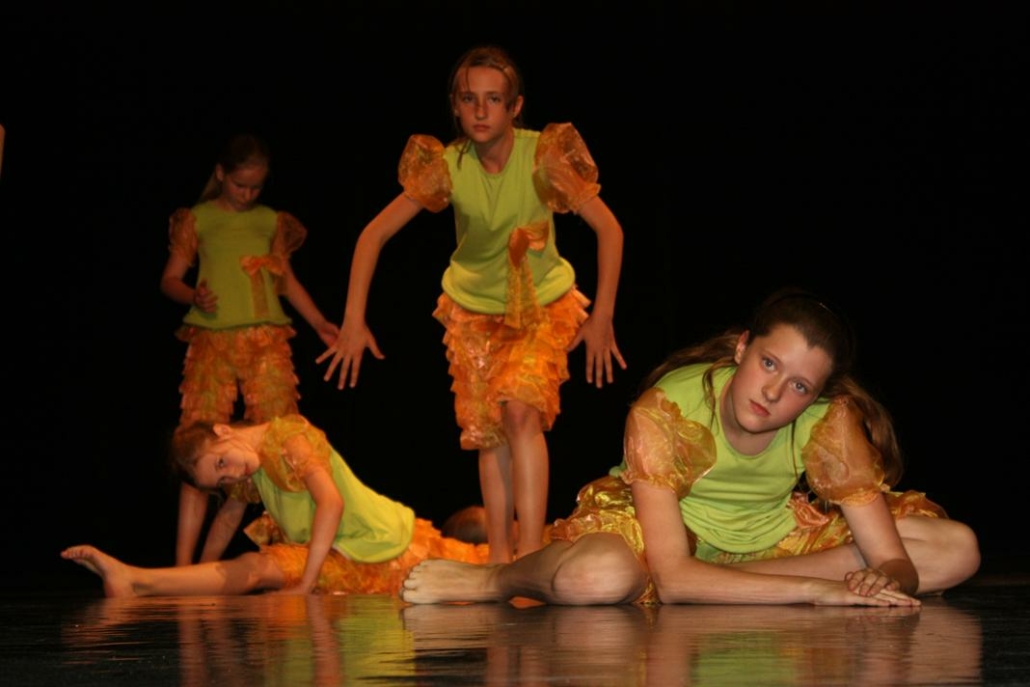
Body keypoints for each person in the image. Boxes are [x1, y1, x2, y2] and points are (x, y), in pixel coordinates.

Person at [400, 288, 982, 606]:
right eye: (769, 364)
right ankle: (494, 581)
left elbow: (894, 559)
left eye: (799, 386)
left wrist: (888, 578)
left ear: (817, 396)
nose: (773, 392)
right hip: (664, 546)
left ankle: (733, 585)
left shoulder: (829, 422)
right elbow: (674, 579)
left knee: (955, 549)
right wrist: (822, 591)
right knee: (597, 577)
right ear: (742, 348)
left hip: (770, 544)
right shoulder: (667, 409)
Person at [318, 45, 627, 564]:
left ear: (514, 107)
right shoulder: (447, 165)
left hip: (541, 304)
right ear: (456, 106)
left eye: (493, 99)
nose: (481, 111)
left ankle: (531, 552)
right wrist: (352, 321)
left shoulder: (542, 156)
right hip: (473, 311)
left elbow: (609, 229)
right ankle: (501, 557)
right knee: (490, 433)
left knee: (521, 412)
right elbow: (372, 235)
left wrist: (602, 317)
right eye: (469, 99)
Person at [61, 414, 490, 596]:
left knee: (483, 565)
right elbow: (226, 521)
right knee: (256, 566)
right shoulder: (250, 469)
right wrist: (192, 579)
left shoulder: (287, 438)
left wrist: (306, 582)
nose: (232, 475)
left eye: (222, 463)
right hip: (338, 553)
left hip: (383, 545)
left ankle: (137, 579)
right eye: (221, 479)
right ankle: (136, 579)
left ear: (223, 431)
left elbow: (331, 504)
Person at [160, 133, 340, 566]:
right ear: (221, 174)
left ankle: (298, 551)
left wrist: (320, 323)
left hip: (266, 339)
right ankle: (183, 566)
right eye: (240, 185)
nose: (247, 194)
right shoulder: (199, 219)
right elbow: (169, 280)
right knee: (200, 447)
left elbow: (286, 282)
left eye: (256, 187)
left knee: (282, 440)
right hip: (212, 340)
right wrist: (192, 295)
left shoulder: (269, 221)